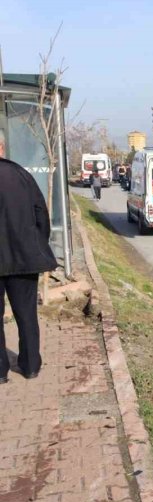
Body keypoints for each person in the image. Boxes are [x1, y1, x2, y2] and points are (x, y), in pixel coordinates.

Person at [0, 129, 59, 384]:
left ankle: (0, 371)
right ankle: (30, 365)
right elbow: (41, 215)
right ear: (2, 148)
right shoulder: (21, 175)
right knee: (26, 315)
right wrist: (37, 245)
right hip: (24, 259)